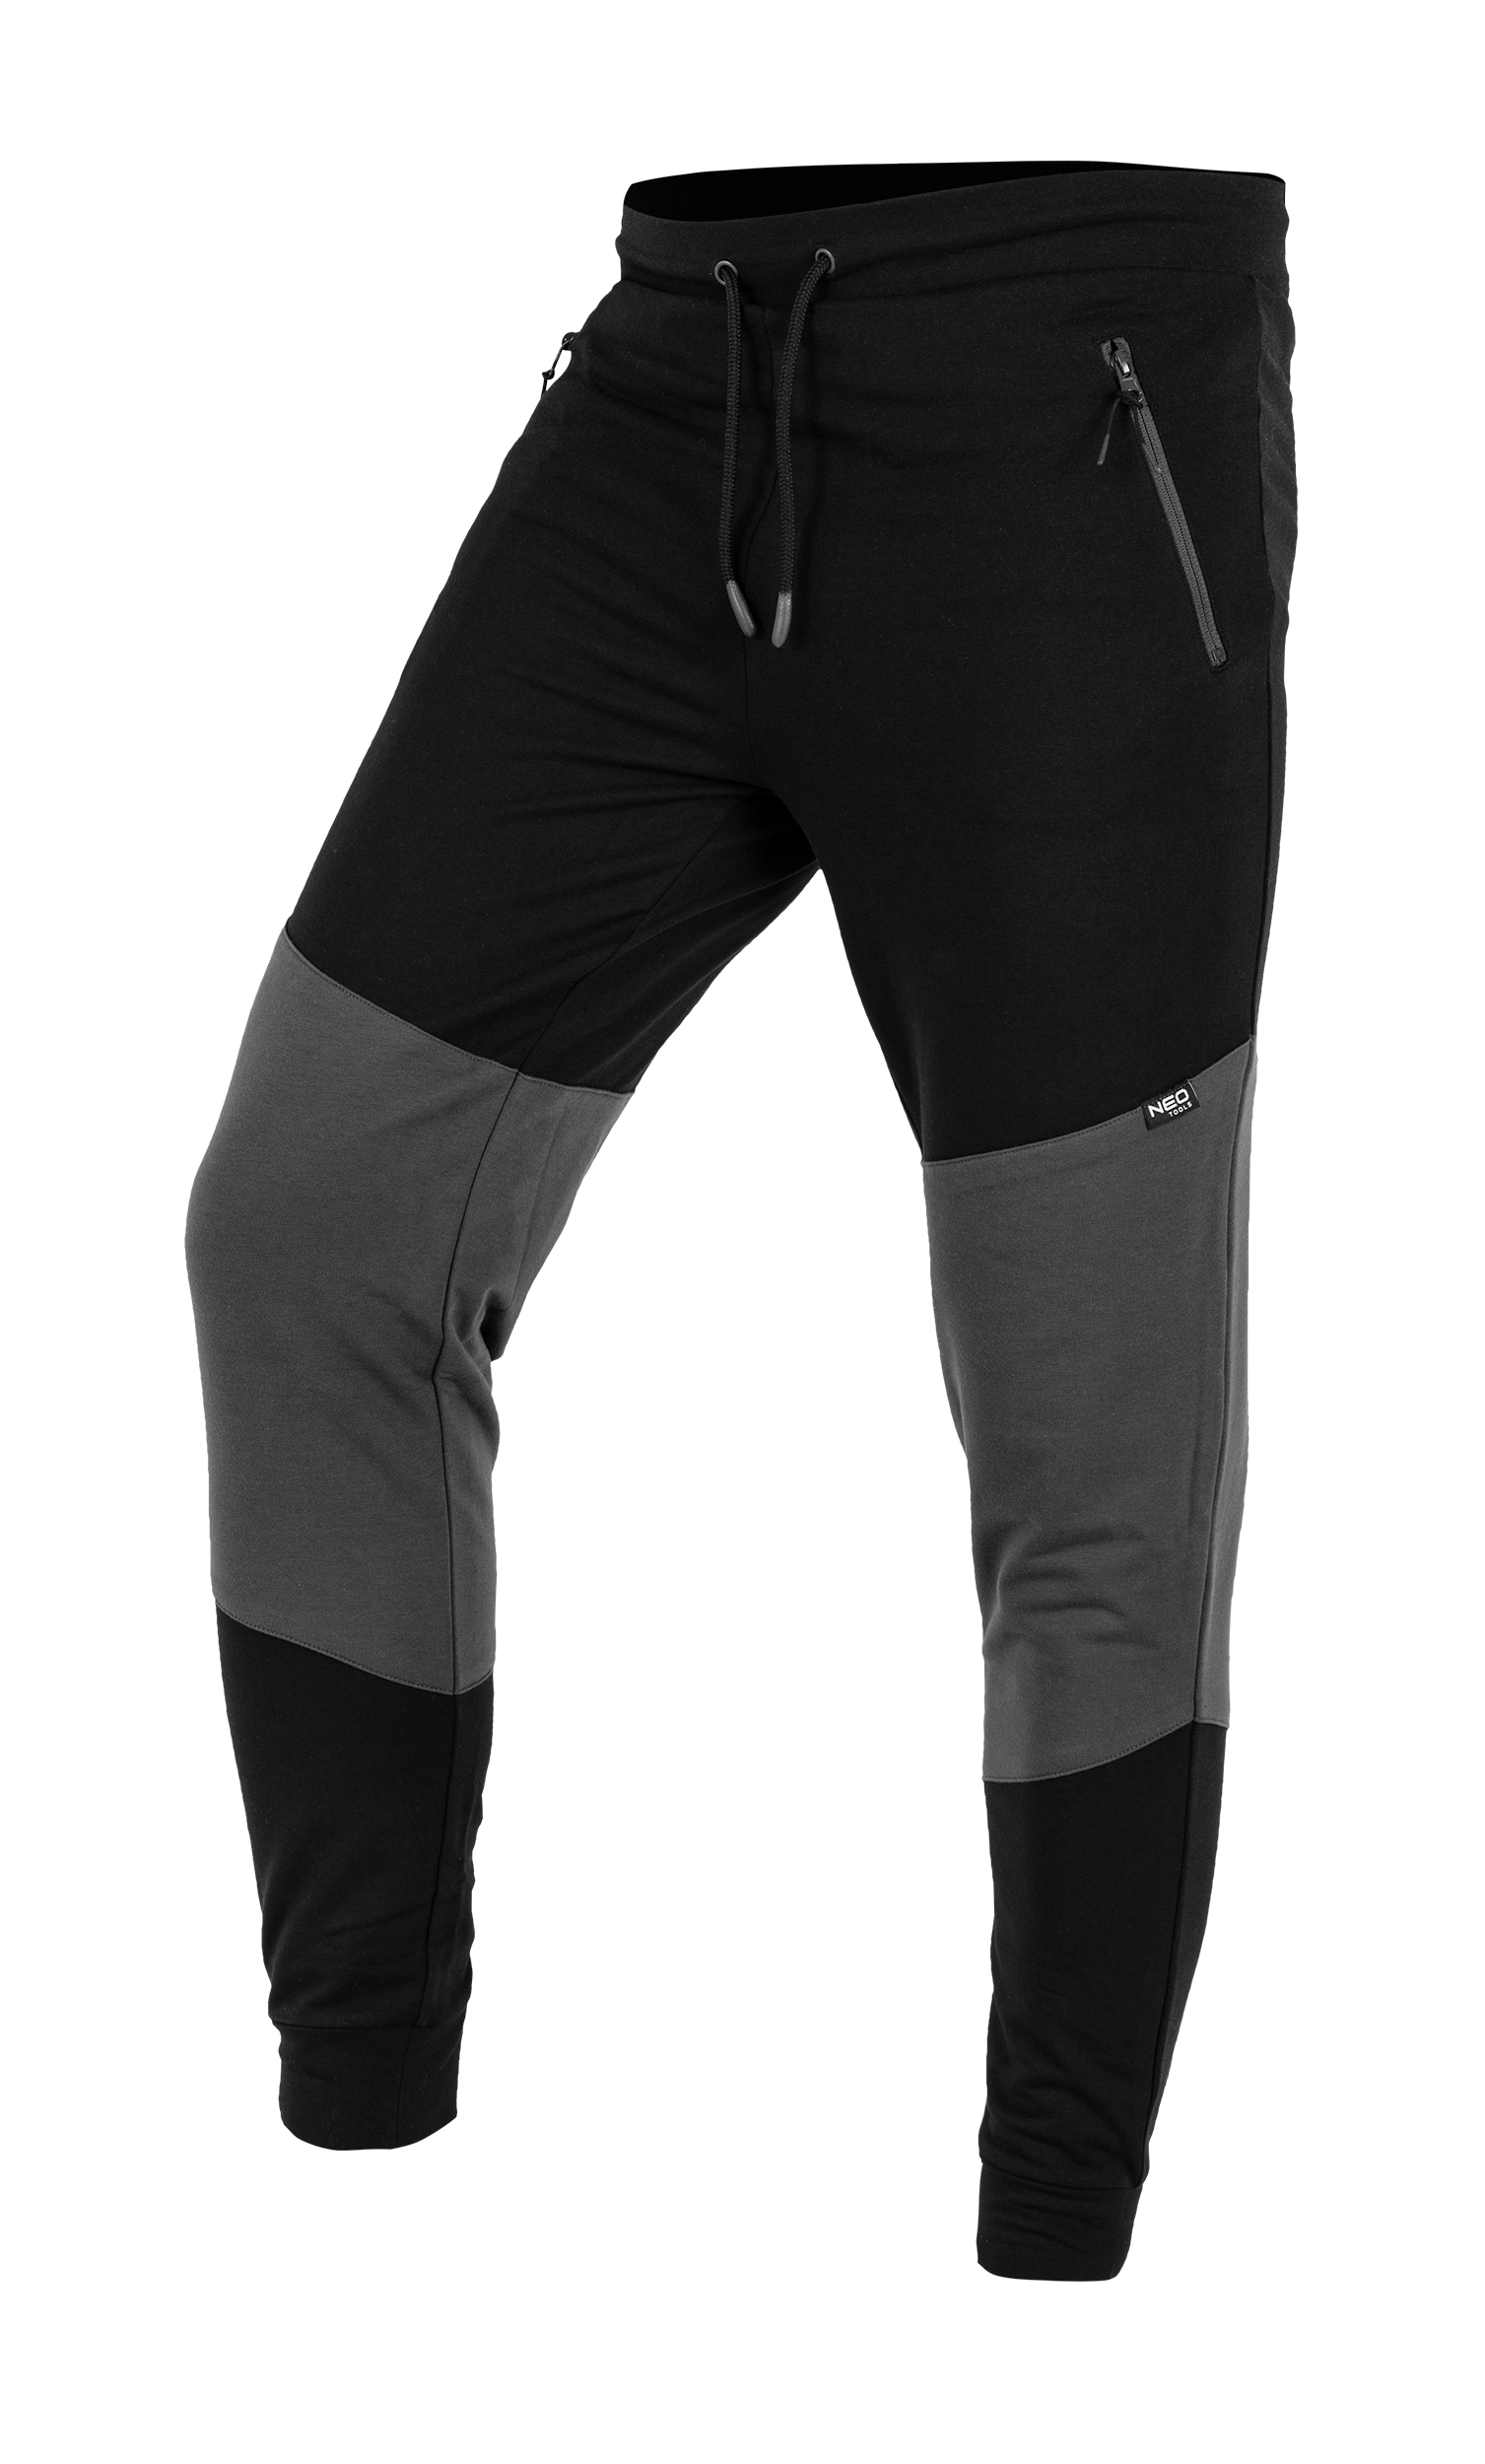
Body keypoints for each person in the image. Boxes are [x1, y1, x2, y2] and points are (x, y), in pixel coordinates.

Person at [185, 159, 1297, 2273]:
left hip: (1063, 388)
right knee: (312, 1231)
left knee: (1087, 1439)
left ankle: (1054, 2292)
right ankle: (357, 2193)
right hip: (667, 367)